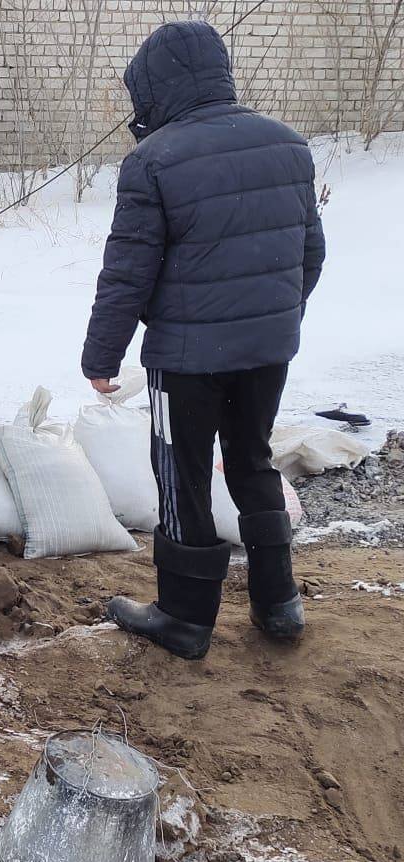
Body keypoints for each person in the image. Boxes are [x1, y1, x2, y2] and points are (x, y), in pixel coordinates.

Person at [81, 21, 326, 660]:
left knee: (181, 474)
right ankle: (280, 604)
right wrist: (273, 315)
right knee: (252, 460)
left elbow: (128, 271)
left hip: (186, 360)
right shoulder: (288, 144)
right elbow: (310, 254)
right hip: (268, 349)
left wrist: (102, 356)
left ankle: (184, 618)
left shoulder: (153, 160)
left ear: (155, 87)